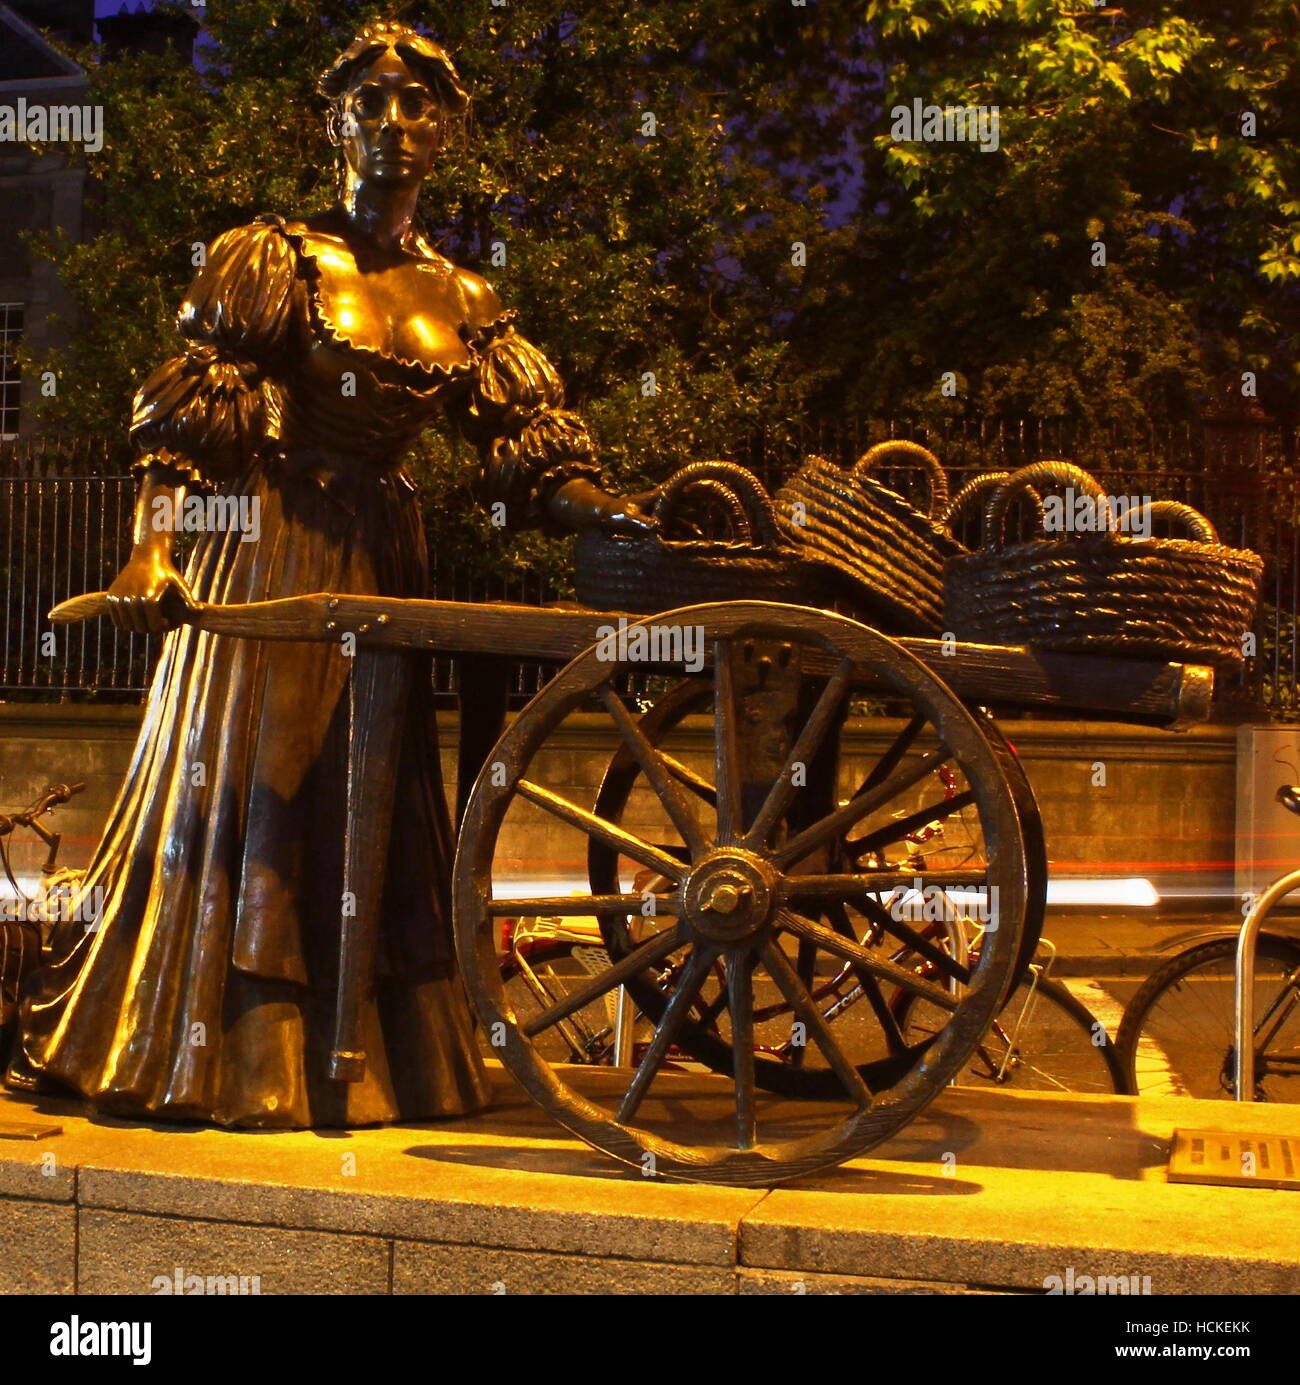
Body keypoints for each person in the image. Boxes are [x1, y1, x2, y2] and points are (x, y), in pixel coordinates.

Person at [9, 22, 652, 1128]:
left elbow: (534, 447)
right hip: (269, 543)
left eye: (415, 106)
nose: (392, 125)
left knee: (373, 799)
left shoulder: (464, 300)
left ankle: (377, 1057)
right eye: (370, 104)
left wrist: (612, 512)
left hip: (383, 558)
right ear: (334, 123)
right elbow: (194, 409)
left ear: (447, 130)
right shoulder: (271, 258)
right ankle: (227, 1053)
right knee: (260, 792)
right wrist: (151, 547)